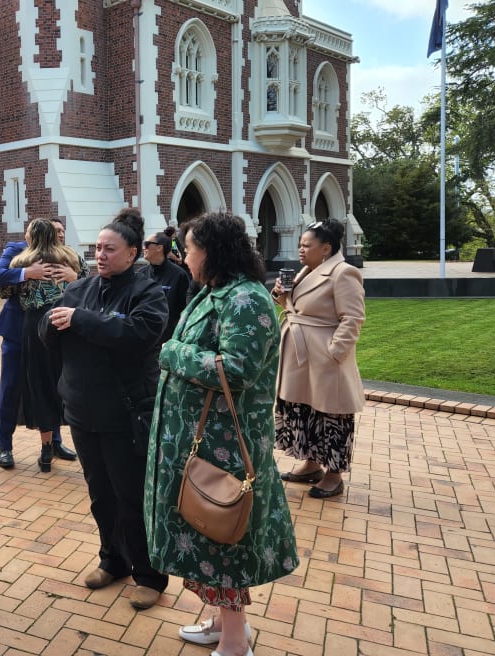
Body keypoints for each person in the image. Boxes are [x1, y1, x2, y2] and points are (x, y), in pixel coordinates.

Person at [144, 211, 298, 656]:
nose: (185, 258)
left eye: (190, 250)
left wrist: (174, 352)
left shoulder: (245, 300)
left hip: (225, 446)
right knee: (206, 530)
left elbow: (238, 369)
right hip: (202, 441)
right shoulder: (217, 291)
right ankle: (223, 624)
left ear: (213, 251)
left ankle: (234, 643)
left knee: (221, 537)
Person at [40, 208, 169, 610]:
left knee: (131, 496)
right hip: (83, 410)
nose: (100, 255)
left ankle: (149, 575)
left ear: (132, 253)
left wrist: (83, 321)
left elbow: (139, 333)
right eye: (97, 248)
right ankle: (113, 560)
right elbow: (48, 331)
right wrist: (53, 323)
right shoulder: (80, 289)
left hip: (125, 413)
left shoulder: (147, 293)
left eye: (110, 249)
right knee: (101, 495)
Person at [273, 219, 365, 498]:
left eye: (307, 245)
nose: (301, 249)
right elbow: (297, 309)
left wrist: (334, 353)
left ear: (326, 248)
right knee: (305, 410)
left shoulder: (343, 273)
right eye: (300, 244)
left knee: (332, 414)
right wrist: (283, 297)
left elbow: (353, 318)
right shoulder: (306, 271)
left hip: (324, 359)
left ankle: (334, 475)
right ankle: (311, 464)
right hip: (301, 358)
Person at [0, 226, 78, 470]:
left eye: (62, 231)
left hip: (51, 334)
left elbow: (84, 280)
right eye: (56, 230)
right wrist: (27, 272)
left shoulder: (65, 256)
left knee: (50, 386)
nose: (60, 234)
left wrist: (73, 276)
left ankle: (54, 442)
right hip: (17, 333)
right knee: (11, 388)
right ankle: (5, 446)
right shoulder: (16, 250)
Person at [141, 230, 189, 344]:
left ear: (159, 248)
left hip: (169, 341)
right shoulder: (140, 275)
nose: (143, 248)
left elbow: (185, 309)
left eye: (147, 244)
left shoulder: (179, 275)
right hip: (144, 339)